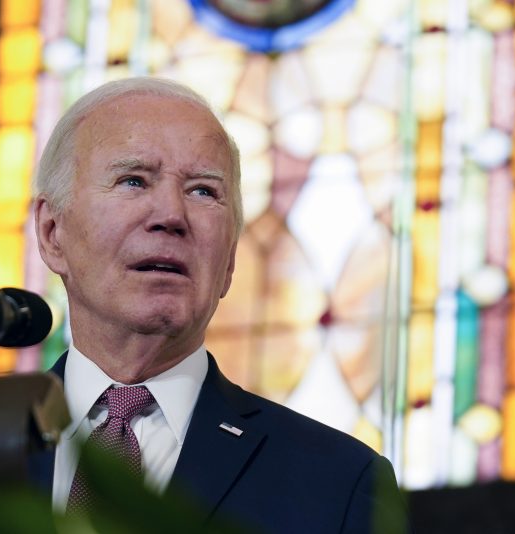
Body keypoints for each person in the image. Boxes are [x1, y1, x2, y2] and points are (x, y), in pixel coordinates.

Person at [31, 76, 410, 532]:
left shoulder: (341, 484)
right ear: (53, 234)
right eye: (133, 180)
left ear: (230, 259)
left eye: (203, 191)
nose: (171, 216)